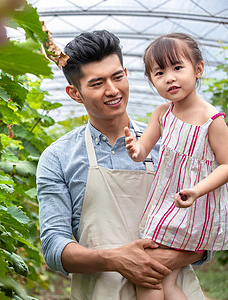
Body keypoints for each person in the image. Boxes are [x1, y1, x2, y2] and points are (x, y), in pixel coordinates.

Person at [36, 29, 208, 300]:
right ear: (75, 93)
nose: (113, 90)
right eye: (97, 83)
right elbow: (55, 247)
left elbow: (203, 227)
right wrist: (115, 259)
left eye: (118, 77)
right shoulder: (58, 157)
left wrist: (155, 264)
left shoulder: (170, 142)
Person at [124, 32, 228, 300]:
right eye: (159, 73)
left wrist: (196, 191)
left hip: (194, 209)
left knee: (147, 269)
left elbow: (227, 164)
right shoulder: (162, 113)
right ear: (151, 81)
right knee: (163, 281)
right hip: (167, 204)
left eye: (177, 68)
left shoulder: (212, 119)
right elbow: (143, 149)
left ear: (198, 69)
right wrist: (135, 150)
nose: (169, 77)